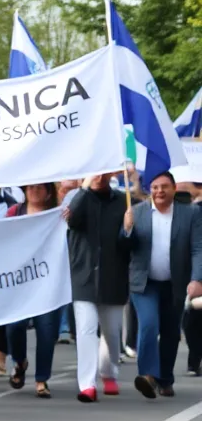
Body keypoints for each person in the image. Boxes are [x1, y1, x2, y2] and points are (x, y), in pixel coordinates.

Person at [121, 171, 202, 399]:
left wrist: (197, 279)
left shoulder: (190, 213)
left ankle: (165, 379)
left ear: (174, 189)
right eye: (155, 187)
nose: (159, 191)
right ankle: (147, 376)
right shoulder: (137, 212)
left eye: (164, 187)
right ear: (150, 190)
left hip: (175, 283)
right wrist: (127, 230)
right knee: (148, 325)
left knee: (170, 332)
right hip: (144, 283)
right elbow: (124, 246)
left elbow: (198, 248)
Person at [65, 172, 130, 402]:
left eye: (104, 172)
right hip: (83, 275)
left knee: (111, 333)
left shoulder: (123, 201)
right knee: (86, 330)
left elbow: (130, 244)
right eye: (95, 172)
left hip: (113, 277)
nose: (99, 177)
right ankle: (87, 384)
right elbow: (72, 220)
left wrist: (128, 230)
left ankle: (109, 372)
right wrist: (83, 189)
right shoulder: (79, 198)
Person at [3, 183, 62, 398]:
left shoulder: (57, 215)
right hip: (20, 283)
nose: (34, 191)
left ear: (48, 192)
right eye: (30, 188)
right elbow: (1, 240)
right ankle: (20, 362)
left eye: (39, 188)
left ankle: (41, 379)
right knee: (14, 327)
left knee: (46, 331)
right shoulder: (14, 212)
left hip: (48, 282)